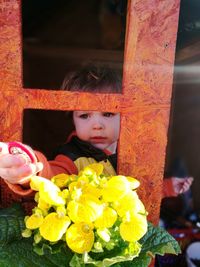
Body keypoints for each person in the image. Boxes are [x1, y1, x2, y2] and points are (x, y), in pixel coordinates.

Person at [0, 64, 193, 199]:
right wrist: (31, 168)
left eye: (108, 114)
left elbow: (139, 190)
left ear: (125, 117)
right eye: (84, 116)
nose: (97, 125)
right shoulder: (71, 157)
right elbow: (52, 174)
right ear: (72, 118)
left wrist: (166, 187)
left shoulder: (133, 153)